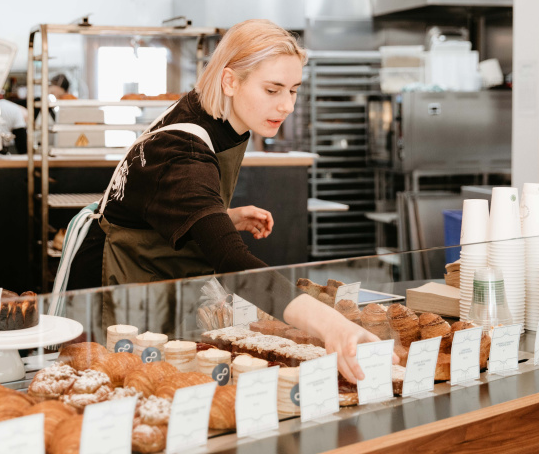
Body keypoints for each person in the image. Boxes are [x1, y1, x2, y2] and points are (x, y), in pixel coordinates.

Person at [95, 19, 393, 382]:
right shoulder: (183, 151)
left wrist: (220, 217)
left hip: (166, 277)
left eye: (293, 91)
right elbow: (232, 262)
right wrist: (329, 324)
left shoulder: (212, 110)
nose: (286, 106)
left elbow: (165, 198)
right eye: (272, 90)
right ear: (230, 81)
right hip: (134, 288)